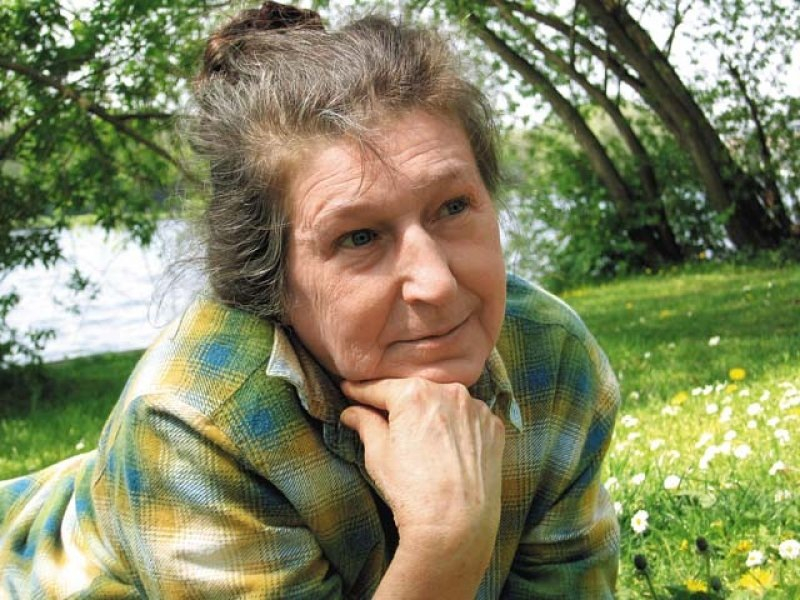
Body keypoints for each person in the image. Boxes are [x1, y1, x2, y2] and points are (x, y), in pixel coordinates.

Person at [0, 2, 620, 597]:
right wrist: (446, 538)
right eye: (360, 237)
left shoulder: (550, 360)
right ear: (269, 279)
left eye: (453, 206)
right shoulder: (193, 424)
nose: (434, 283)